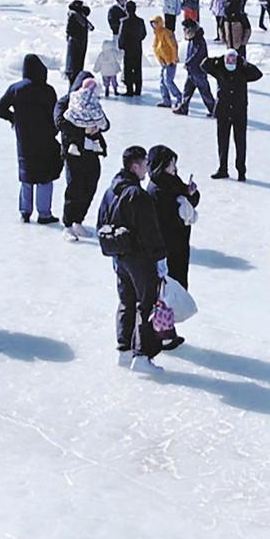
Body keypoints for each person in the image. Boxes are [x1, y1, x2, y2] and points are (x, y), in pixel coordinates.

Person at [97, 146, 169, 373]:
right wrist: (160, 258)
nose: (147, 169)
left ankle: (124, 349)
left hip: (119, 257)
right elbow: (150, 231)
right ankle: (142, 355)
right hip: (140, 259)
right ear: (135, 166)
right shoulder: (138, 195)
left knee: (126, 301)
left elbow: (101, 222)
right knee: (146, 304)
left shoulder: (110, 191)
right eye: (145, 164)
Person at [0, 55, 62, 223]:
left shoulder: (16, 89)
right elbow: (55, 115)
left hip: (24, 139)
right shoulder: (48, 90)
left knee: (27, 174)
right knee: (45, 176)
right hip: (45, 138)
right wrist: (54, 131)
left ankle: (25, 211)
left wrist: (13, 118)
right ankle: (44, 214)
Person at [147, 145, 199, 349]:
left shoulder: (171, 181)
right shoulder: (157, 190)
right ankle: (163, 334)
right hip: (167, 247)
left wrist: (190, 194)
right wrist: (182, 212)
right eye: (171, 164)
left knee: (175, 287)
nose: (174, 167)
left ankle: (166, 330)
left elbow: (186, 197)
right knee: (166, 292)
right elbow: (165, 220)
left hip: (178, 244)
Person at [57, 73, 109, 241]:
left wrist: (97, 127)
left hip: (91, 151)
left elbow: (105, 123)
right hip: (74, 152)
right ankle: (68, 224)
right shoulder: (66, 101)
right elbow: (60, 122)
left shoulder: (92, 101)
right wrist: (83, 129)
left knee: (90, 186)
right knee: (74, 188)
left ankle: (79, 220)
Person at [203, 50, 262, 181]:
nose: (231, 62)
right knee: (222, 141)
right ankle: (222, 169)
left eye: (233, 59)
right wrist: (219, 59)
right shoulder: (219, 69)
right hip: (223, 111)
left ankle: (241, 171)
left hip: (239, 112)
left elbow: (258, 74)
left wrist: (245, 63)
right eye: (228, 59)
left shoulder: (243, 71)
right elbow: (204, 65)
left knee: (240, 142)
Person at [172, 19, 216, 117]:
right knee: (187, 90)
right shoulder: (193, 39)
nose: (184, 32)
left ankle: (214, 110)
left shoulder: (198, 40)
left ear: (191, 29)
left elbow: (197, 55)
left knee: (205, 92)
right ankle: (183, 108)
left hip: (198, 71)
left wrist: (188, 62)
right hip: (192, 71)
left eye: (185, 29)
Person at [118, 1, 148, 97]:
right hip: (138, 47)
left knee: (128, 69)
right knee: (138, 69)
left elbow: (121, 35)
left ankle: (129, 90)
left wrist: (121, 45)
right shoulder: (140, 21)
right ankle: (138, 89)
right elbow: (144, 34)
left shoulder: (124, 21)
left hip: (128, 48)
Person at [151, 16, 182, 108]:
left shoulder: (167, 33)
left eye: (156, 23)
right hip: (164, 62)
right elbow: (156, 48)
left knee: (168, 81)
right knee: (162, 81)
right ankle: (166, 100)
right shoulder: (157, 34)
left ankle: (179, 98)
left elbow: (173, 45)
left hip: (170, 61)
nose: (154, 25)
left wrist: (174, 58)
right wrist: (160, 60)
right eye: (153, 23)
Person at [65, 0, 95, 87]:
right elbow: (90, 27)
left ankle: (73, 85)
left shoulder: (79, 15)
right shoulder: (74, 15)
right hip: (77, 43)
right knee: (75, 67)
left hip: (77, 43)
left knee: (74, 66)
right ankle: (74, 85)